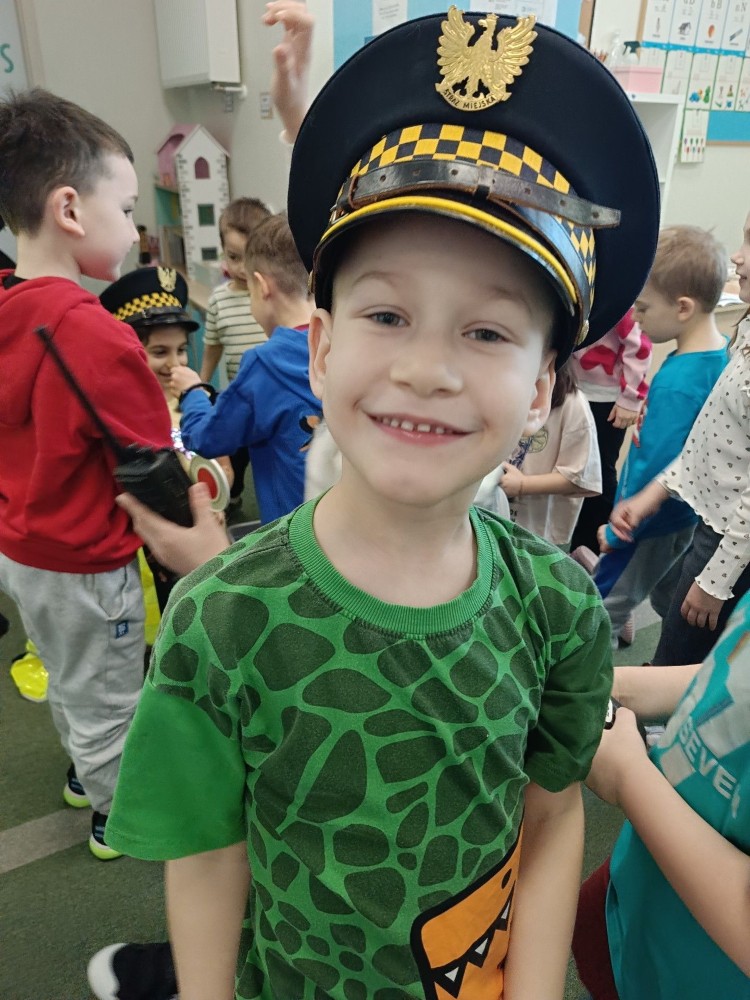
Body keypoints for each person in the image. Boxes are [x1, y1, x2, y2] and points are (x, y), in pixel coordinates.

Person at [103, 11, 660, 1000]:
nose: (426, 369)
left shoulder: (558, 612)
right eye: (388, 314)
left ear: (541, 390)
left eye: (488, 332)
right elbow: (208, 857)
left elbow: (550, 815)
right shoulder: (223, 618)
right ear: (321, 348)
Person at [0, 88, 172, 860]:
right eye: (127, 208)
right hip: (86, 558)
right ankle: (115, 814)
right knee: (111, 693)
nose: (134, 230)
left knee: (69, 672)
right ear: (70, 208)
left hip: (23, 546)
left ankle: (84, 769)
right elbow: (150, 467)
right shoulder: (96, 336)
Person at [573, 590, 750, 999]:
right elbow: (734, 674)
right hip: (638, 885)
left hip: (696, 975)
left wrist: (628, 777)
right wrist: (617, 686)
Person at [609, 212, 750, 666]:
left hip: (694, 534)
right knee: (672, 601)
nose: (736, 258)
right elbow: (707, 444)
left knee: (623, 616)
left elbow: (664, 457)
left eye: (643, 309)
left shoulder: (679, 381)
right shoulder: (731, 345)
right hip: (697, 519)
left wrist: (716, 580)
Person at [171, 212, 319, 524]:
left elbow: (207, 438)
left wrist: (193, 392)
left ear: (262, 287)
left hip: (291, 533)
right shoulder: (342, 343)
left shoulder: (265, 365)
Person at [100, 265, 234, 609]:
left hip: (205, 539)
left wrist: (215, 502)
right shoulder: (119, 415)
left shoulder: (198, 402)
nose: (175, 364)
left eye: (181, 350)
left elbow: (223, 465)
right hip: (149, 553)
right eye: (159, 352)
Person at [198, 196, 271, 512]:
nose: (241, 268)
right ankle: (235, 497)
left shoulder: (273, 294)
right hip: (238, 399)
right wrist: (201, 384)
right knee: (236, 458)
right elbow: (212, 347)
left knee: (272, 458)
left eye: (249, 257)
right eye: (233, 257)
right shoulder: (219, 300)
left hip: (272, 398)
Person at [480, 361, 602, 546]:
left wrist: (523, 485)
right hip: (489, 526)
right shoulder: (496, 392)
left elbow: (581, 479)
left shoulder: (573, 404)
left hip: (540, 536)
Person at [568, 308, 652, 553]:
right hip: (571, 387)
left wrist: (631, 398)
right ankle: (577, 541)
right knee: (574, 467)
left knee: (599, 472)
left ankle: (593, 545)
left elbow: (639, 343)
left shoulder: (621, 298)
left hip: (607, 400)